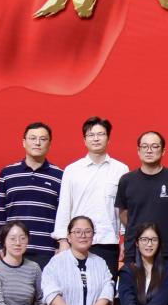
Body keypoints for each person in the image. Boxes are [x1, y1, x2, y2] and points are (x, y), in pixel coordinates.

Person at [54, 117, 129, 280]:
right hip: (77, 242)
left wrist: (125, 239)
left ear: (108, 138)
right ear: (84, 140)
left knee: (106, 287)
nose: (96, 138)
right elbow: (65, 206)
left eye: (100, 134)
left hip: (108, 241)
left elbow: (123, 209)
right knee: (75, 288)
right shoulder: (72, 170)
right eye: (91, 135)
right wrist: (62, 240)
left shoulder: (121, 169)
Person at [0, 122, 63, 273]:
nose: (37, 143)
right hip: (13, 249)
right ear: (24, 142)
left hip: (47, 251)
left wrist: (59, 245)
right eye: (33, 138)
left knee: (45, 289)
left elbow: (62, 215)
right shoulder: (7, 174)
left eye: (43, 139)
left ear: (49, 144)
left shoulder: (60, 176)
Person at [116, 131, 168, 266]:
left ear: (163, 151)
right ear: (138, 151)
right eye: (144, 146)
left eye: (154, 146)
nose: (149, 151)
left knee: (165, 280)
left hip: (166, 248)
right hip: (134, 249)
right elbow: (124, 214)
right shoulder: (127, 180)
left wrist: (166, 229)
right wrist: (139, 232)